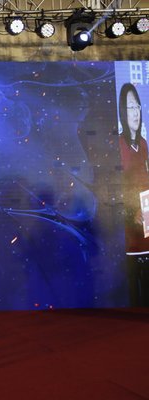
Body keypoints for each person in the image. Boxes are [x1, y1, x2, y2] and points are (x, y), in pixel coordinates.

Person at [118, 83, 149, 307]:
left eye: (137, 106)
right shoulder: (118, 144)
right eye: (130, 107)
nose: (135, 112)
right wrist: (131, 214)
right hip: (129, 231)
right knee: (133, 291)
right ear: (122, 111)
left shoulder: (143, 144)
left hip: (146, 225)